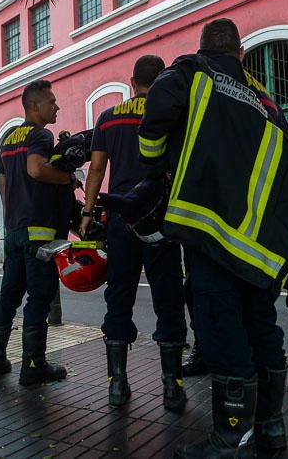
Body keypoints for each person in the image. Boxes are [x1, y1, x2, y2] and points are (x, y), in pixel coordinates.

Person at [138, 19, 288, 457]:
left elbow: (151, 136)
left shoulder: (188, 73)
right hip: (262, 246)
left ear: (204, 48)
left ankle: (231, 438)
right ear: (241, 54)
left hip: (213, 232)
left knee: (222, 329)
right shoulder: (266, 102)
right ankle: (271, 430)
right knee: (262, 329)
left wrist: (161, 166)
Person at [79, 55, 188, 411]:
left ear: (131, 82)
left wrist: (87, 213)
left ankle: (117, 384)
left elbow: (96, 169)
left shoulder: (108, 118)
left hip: (121, 222)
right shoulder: (170, 115)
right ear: (161, 81)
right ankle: (172, 386)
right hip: (161, 221)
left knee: (119, 296)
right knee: (168, 297)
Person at [0, 79, 79, 386]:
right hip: (38, 232)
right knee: (40, 298)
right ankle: (34, 365)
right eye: (51, 101)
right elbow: (37, 169)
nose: (56, 106)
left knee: (8, 296)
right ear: (35, 105)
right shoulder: (41, 135)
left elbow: (2, 186)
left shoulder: (9, 140)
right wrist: (66, 179)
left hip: (13, 230)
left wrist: (13, 215)